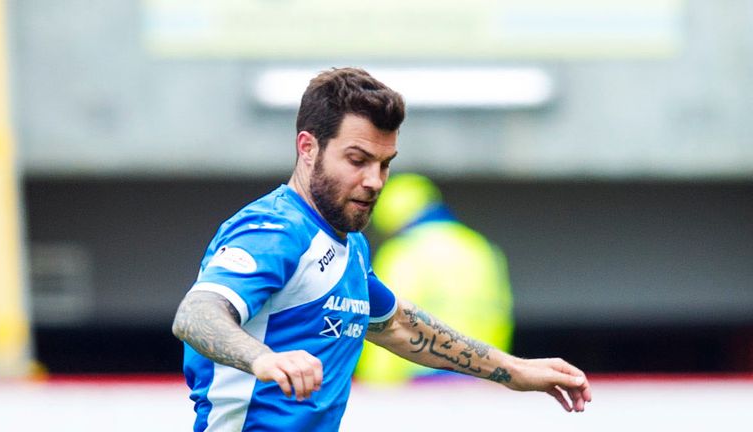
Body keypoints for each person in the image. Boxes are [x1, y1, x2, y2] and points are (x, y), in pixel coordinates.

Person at [172, 67, 592, 432]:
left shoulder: (348, 244)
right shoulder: (276, 230)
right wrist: (262, 359)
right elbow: (197, 313)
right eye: (358, 160)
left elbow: (397, 326)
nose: (374, 180)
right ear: (307, 148)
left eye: (385, 163)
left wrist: (513, 369)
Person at [354, 173, 514, 384]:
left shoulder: (403, 251)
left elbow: (387, 320)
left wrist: (375, 382)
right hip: (482, 375)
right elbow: (502, 315)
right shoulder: (480, 248)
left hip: (421, 378)